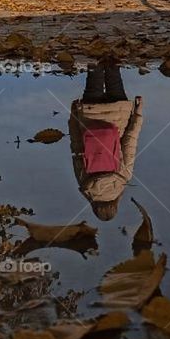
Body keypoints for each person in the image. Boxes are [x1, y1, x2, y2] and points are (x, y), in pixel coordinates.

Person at [69, 61, 143, 220]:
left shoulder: (124, 177)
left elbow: (130, 140)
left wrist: (138, 114)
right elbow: (76, 146)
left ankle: (113, 48)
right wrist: (74, 116)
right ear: (94, 205)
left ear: (116, 203)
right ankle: (94, 46)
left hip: (118, 116)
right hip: (90, 115)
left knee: (114, 74)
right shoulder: (85, 182)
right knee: (94, 72)